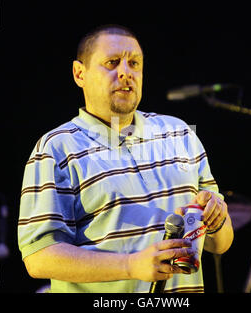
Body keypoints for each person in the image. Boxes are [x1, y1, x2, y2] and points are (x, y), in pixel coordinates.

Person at [17, 24, 233, 293]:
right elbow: (39, 258)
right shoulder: (56, 147)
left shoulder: (180, 133)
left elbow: (219, 244)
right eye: (112, 62)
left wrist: (218, 218)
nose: (125, 72)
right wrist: (131, 265)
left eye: (134, 63)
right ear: (79, 73)